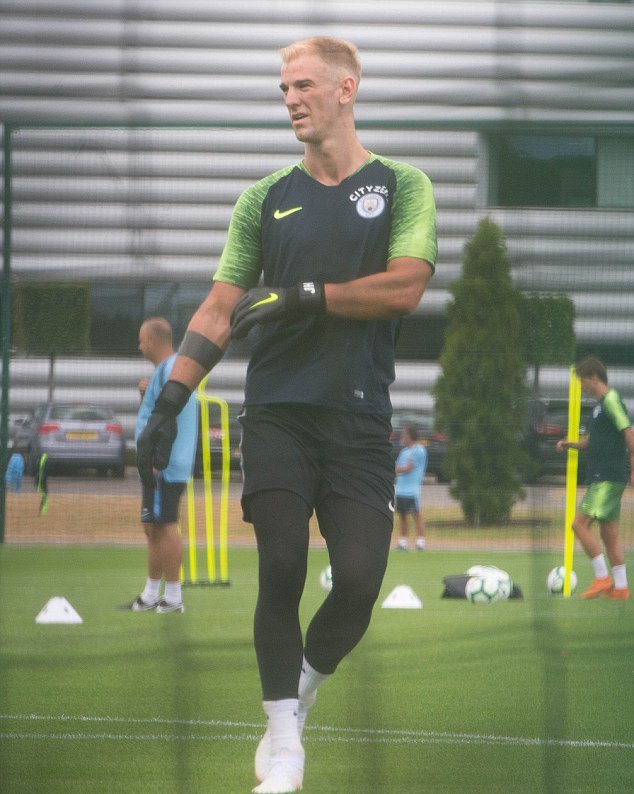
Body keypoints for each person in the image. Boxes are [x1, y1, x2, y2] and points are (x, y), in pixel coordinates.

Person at [136, 36, 436, 793]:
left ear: (347, 89)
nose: (291, 98)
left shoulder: (403, 185)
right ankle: (284, 747)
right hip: (276, 412)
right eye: (282, 88)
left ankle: (294, 705)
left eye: (304, 84)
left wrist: (308, 294)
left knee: (362, 579)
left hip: (360, 420)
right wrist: (172, 399)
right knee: (279, 564)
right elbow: (219, 305)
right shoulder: (262, 198)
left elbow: (404, 289)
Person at [124, 317, 198, 614]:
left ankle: (174, 598)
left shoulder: (171, 369)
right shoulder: (168, 370)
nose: (139, 345)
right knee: (152, 526)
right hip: (160, 464)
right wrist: (145, 394)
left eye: (141, 340)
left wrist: (155, 460)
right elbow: (161, 411)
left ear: (152, 341)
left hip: (163, 466)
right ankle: (151, 594)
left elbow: (167, 422)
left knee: (165, 526)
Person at [556, 356, 634, 601]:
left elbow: (629, 434)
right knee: (609, 534)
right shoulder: (599, 406)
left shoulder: (611, 401)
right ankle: (620, 588)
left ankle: (602, 578)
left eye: (582, 381)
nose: (582, 387)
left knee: (578, 524)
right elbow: (592, 440)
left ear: (593, 378)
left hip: (608, 477)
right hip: (605, 476)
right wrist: (572, 444)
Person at [394, 425, 427, 551]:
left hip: (412, 492)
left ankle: (420, 542)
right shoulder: (404, 452)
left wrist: (397, 469)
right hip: (400, 490)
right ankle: (403, 542)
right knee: (402, 516)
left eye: (404, 434)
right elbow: (396, 468)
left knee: (416, 515)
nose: (403, 437)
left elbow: (408, 467)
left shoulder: (419, 450)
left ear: (410, 436)